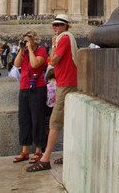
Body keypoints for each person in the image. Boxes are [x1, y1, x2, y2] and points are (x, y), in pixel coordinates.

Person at [29, 15, 78, 172]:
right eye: (54, 25)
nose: (55, 27)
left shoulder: (63, 38)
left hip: (66, 82)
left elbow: (54, 60)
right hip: (65, 81)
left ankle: (45, 158)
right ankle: (68, 152)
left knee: (55, 121)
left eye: (58, 25)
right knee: (68, 118)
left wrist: (53, 46)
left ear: (65, 26)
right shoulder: (65, 38)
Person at [12, 30, 48, 164]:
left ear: (34, 41)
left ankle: (38, 150)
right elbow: (16, 64)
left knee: (37, 120)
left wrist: (31, 51)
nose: (26, 43)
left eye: (28, 40)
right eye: (24, 40)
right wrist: (22, 50)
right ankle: (25, 150)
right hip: (24, 88)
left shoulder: (41, 50)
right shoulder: (24, 52)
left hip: (37, 88)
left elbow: (34, 64)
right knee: (24, 120)